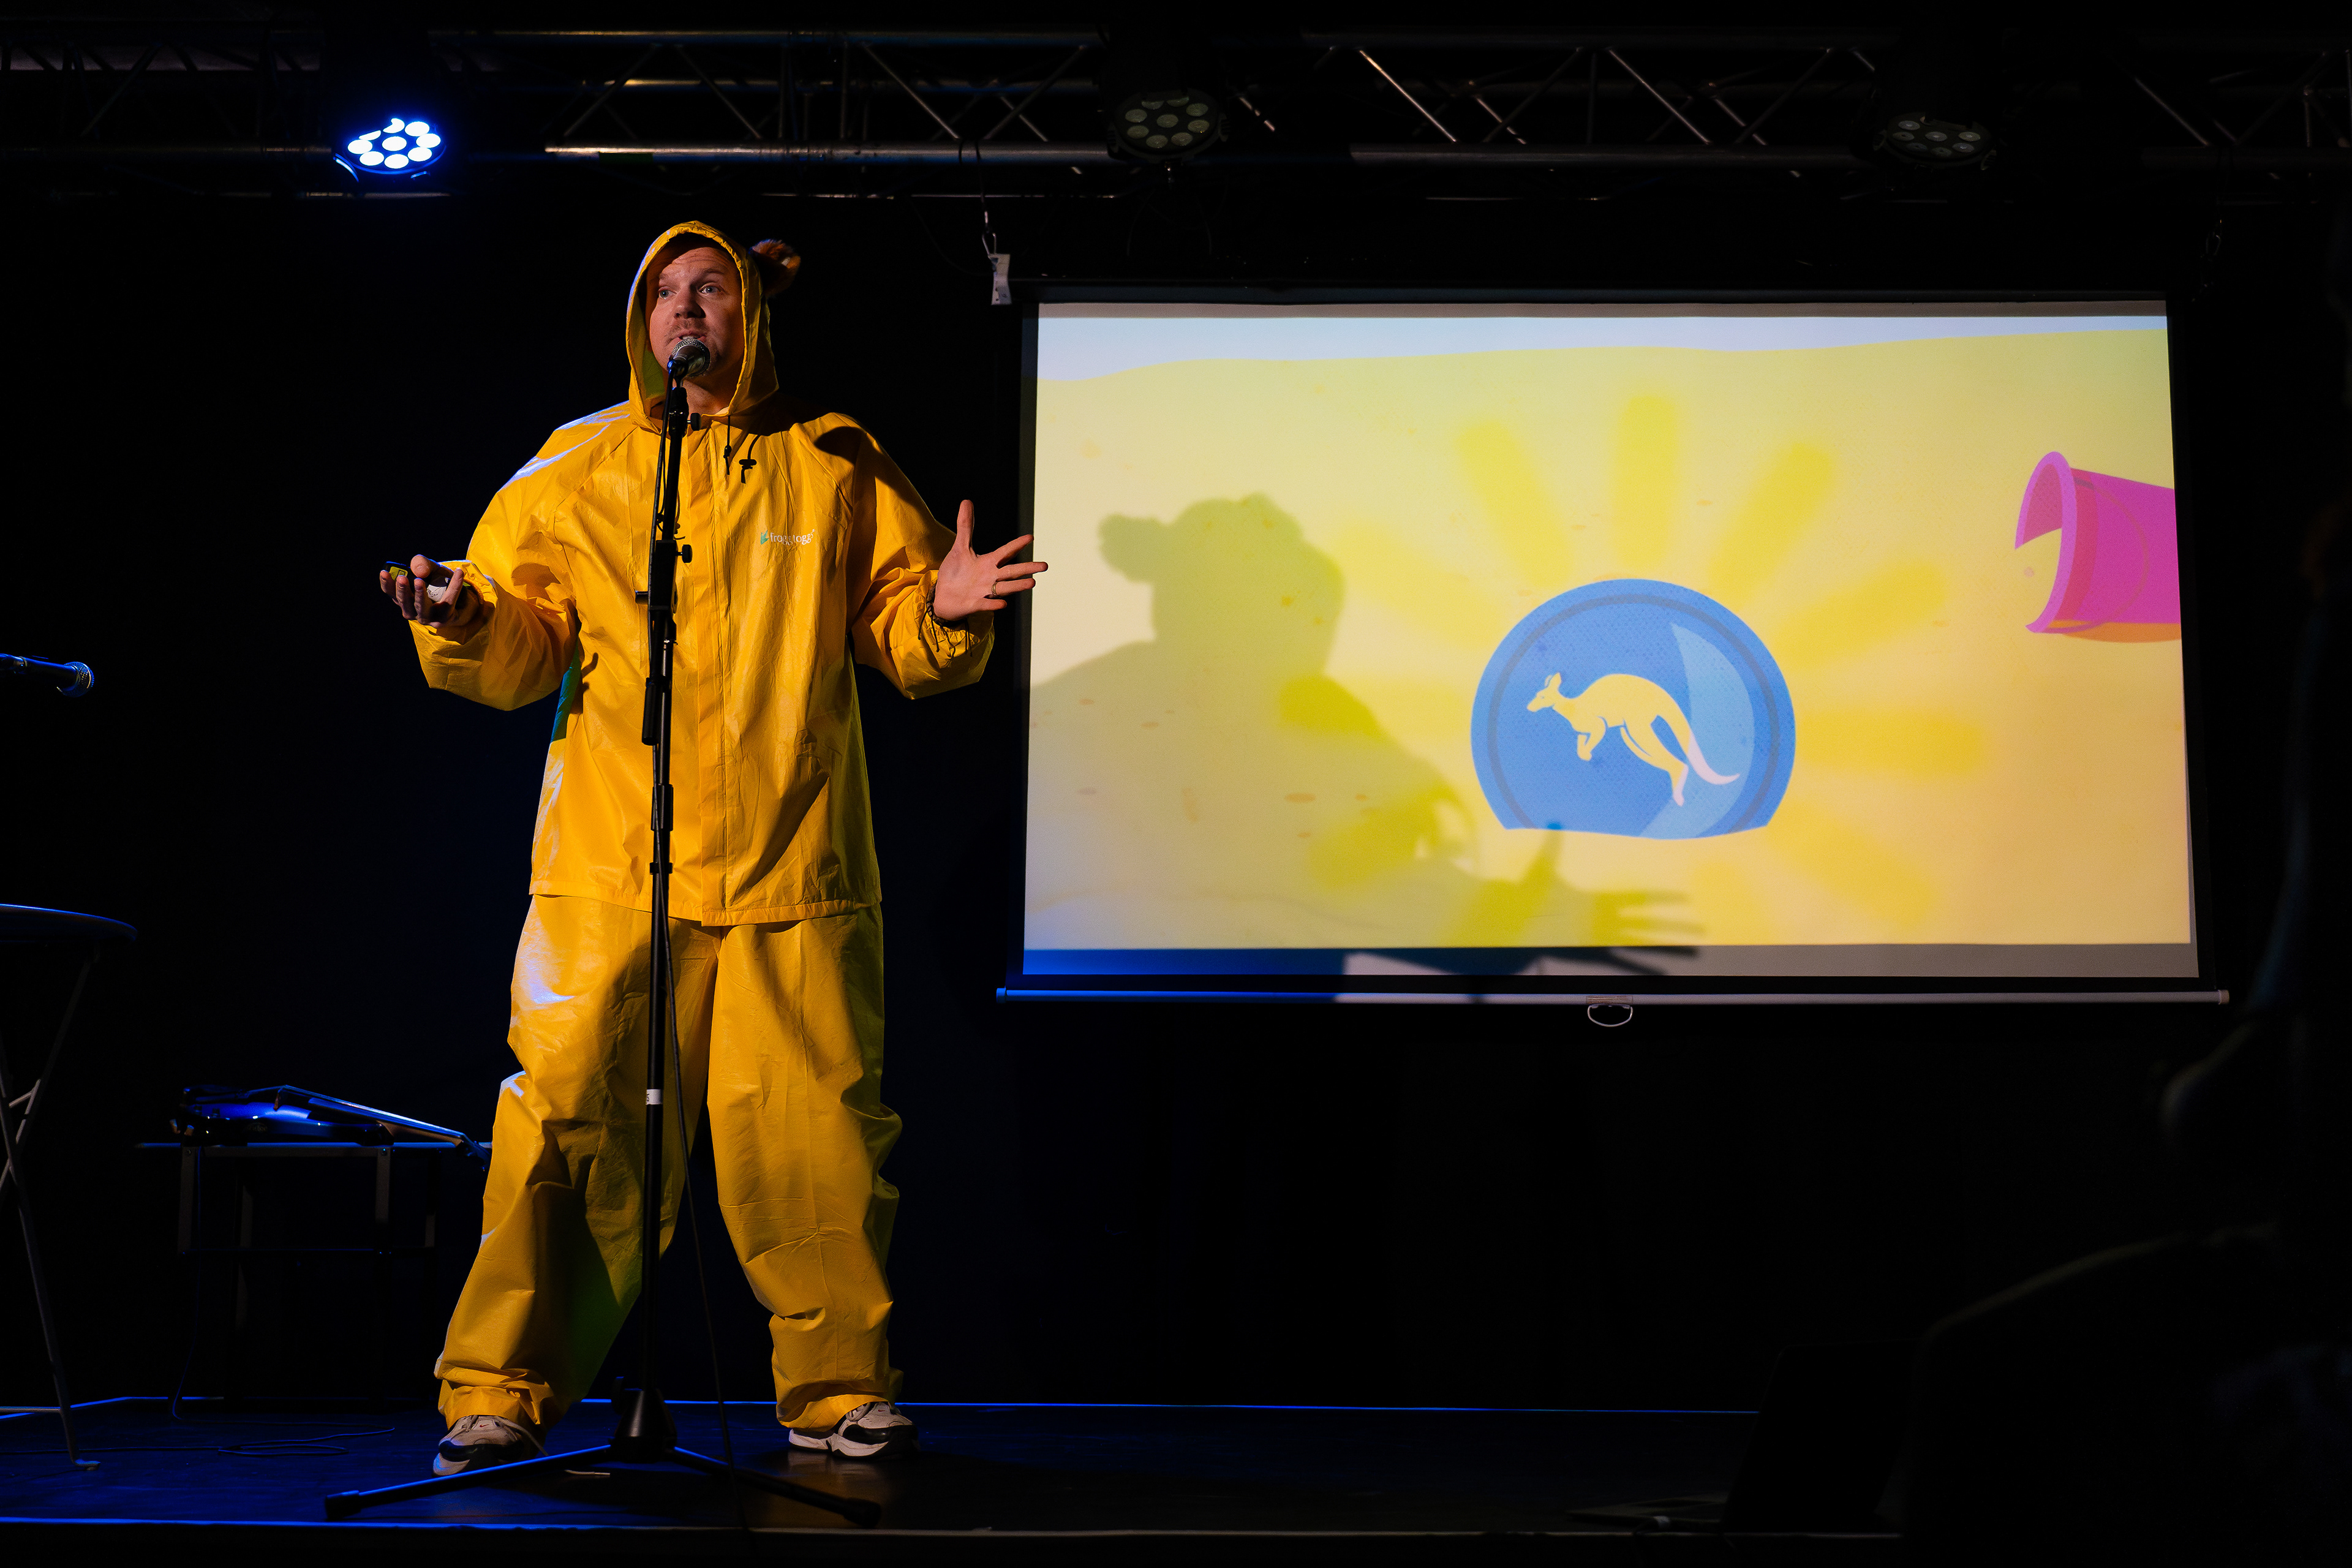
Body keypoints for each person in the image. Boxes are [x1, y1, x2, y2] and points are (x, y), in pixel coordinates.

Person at [378, 221, 1044, 1474]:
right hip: (610, 869)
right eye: (665, 292)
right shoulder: (574, 466)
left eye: (712, 289)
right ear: (641, 323)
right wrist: (461, 616)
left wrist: (944, 610)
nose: (687, 309)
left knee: (816, 1143)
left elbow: (903, 633)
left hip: (796, 866)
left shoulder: (834, 459)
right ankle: (502, 1389)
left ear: (754, 317)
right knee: (566, 1131)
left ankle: (837, 1391)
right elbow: (522, 644)